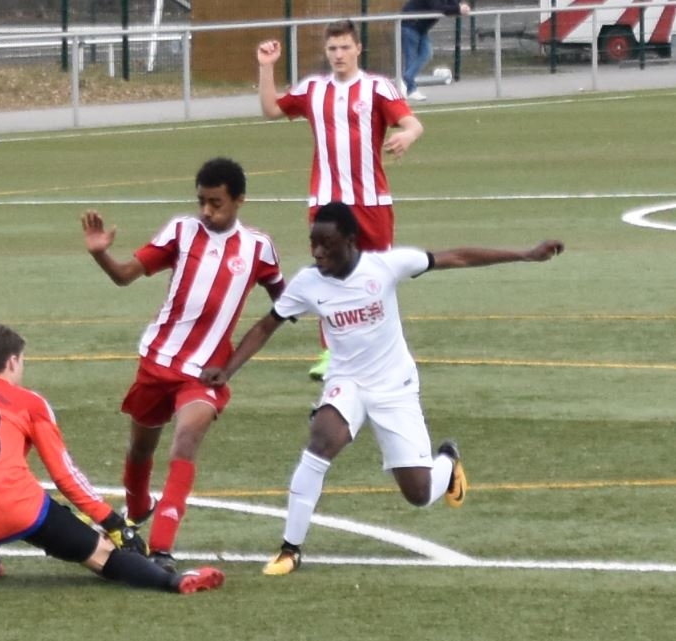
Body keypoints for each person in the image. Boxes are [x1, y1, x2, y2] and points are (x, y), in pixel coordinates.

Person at [201, 201, 564, 575]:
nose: (318, 252)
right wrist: (227, 370)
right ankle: (290, 549)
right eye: (313, 243)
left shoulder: (385, 266)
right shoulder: (308, 283)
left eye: (327, 244)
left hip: (394, 386)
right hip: (347, 383)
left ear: (351, 241)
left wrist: (524, 254)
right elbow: (266, 325)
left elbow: (456, 256)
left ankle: (447, 461)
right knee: (322, 440)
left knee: (419, 494)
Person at [82, 157, 285, 572]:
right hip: (158, 360)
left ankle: (161, 549)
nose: (206, 211)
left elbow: (282, 309)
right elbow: (125, 275)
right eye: (201, 202)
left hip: (205, 374)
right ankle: (138, 508)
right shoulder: (180, 231)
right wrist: (102, 254)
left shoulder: (259, 248)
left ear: (239, 200)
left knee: (186, 439)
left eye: (216, 203)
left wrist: (231, 366)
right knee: (141, 447)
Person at [0, 323, 224, 594]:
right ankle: (173, 582)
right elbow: (64, 474)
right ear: (13, 361)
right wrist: (113, 522)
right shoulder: (29, 402)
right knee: (104, 557)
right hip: (17, 510)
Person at [257, 19, 424, 381]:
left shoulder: (377, 87)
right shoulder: (313, 89)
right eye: (333, 48)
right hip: (326, 202)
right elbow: (271, 109)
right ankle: (331, 352)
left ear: (358, 49)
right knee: (329, 274)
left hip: (371, 201)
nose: (339, 54)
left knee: (379, 277)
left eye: (345, 47)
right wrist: (266, 66)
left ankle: (383, 349)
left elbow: (412, 123)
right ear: (326, 51)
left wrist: (407, 136)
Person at [401, 0, 471, 102]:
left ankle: (408, 78)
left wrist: (463, 7)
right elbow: (439, 7)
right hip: (410, 25)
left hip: (421, 28)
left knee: (427, 53)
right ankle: (411, 89)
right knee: (411, 58)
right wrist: (458, 9)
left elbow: (453, 4)